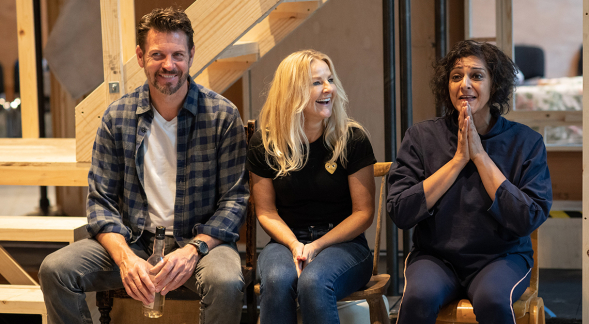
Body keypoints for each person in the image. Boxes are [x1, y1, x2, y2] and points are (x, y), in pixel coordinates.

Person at [38, 7, 248, 324]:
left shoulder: (222, 115)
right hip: (132, 241)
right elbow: (101, 201)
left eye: (178, 54)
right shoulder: (116, 117)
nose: (168, 65)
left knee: (227, 282)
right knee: (55, 270)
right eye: (157, 54)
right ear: (140, 56)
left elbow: (234, 200)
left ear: (191, 55)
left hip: (199, 243)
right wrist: (124, 258)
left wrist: (193, 250)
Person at [387, 40, 552, 324]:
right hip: (436, 258)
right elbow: (400, 210)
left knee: (492, 300)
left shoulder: (526, 142)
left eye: (476, 76)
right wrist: (457, 161)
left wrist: (479, 156)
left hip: (503, 257)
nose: (464, 84)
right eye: (456, 76)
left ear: (495, 85)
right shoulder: (421, 136)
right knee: (417, 298)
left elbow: (529, 217)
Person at [246, 49, 376, 324]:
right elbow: (266, 212)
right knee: (276, 279)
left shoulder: (352, 138)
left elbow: (363, 214)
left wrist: (316, 246)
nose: (329, 88)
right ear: (292, 92)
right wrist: (295, 245)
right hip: (286, 241)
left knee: (313, 282)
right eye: (317, 82)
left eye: (330, 80)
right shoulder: (265, 143)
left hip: (345, 244)